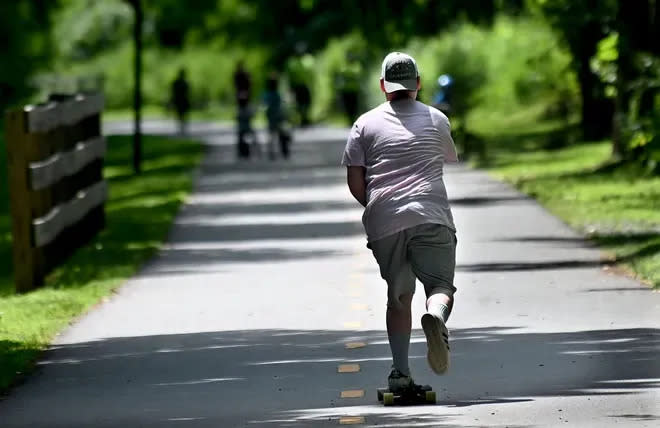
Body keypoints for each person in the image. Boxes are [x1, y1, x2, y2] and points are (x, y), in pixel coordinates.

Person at [341, 52, 459, 393]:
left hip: (384, 220)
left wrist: (380, 207)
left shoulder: (364, 124)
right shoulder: (437, 119)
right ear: (418, 84)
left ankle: (400, 372)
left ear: (383, 86)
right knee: (440, 286)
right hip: (431, 214)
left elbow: (355, 180)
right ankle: (436, 317)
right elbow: (447, 157)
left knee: (399, 296)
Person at [263, 73, 290, 159]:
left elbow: (264, 105)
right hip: (278, 116)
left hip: (271, 116)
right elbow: (283, 104)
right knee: (281, 134)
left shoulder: (266, 95)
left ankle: (272, 152)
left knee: (271, 135)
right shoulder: (277, 94)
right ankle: (284, 151)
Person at [171, 68, 190, 135]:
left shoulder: (180, 83)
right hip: (180, 100)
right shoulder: (182, 83)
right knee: (180, 115)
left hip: (181, 101)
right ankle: (181, 128)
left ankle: (182, 128)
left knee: (182, 115)